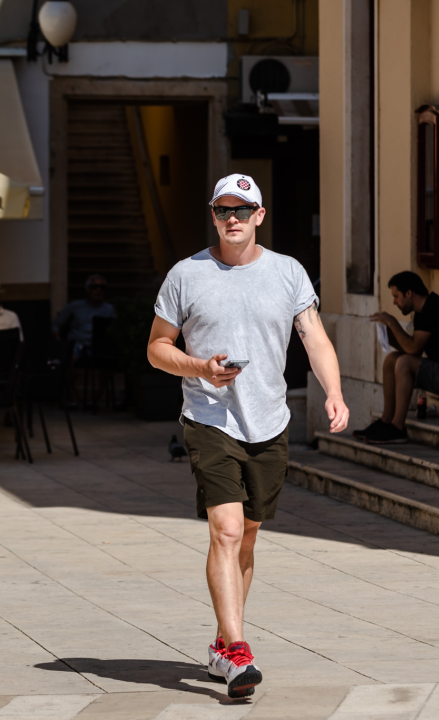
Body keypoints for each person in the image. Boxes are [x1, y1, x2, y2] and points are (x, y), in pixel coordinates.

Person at [148, 173, 349, 699]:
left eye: (242, 209)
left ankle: (221, 643)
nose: (231, 219)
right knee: (228, 531)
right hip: (210, 418)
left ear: (260, 215)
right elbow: (156, 348)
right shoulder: (185, 275)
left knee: (250, 534)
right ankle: (238, 653)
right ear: (212, 215)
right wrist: (197, 366)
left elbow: (315, 337)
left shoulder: (287, 273)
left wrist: (334, 391)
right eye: (222, 210)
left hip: (269, 420)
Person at [356, 271, 439, 444]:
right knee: (391, 360)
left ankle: (397, 427)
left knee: (403, 363)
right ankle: (386, 420)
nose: (394, 302)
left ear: (409, 293)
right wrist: (390, 336)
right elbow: (412, 350)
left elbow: (413, 348)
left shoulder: (433, 309)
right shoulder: (422, 312)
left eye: (396, 296)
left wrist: (393, 323)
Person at [52, 274, 117, 359]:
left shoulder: (110, 309)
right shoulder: (74, 306)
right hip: (77, 346)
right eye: (94, 286)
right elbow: (56, 324)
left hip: (100, 349)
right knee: (70, 357)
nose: (98, 290)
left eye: (102, 287)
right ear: (87, 290)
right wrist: (58, 340)